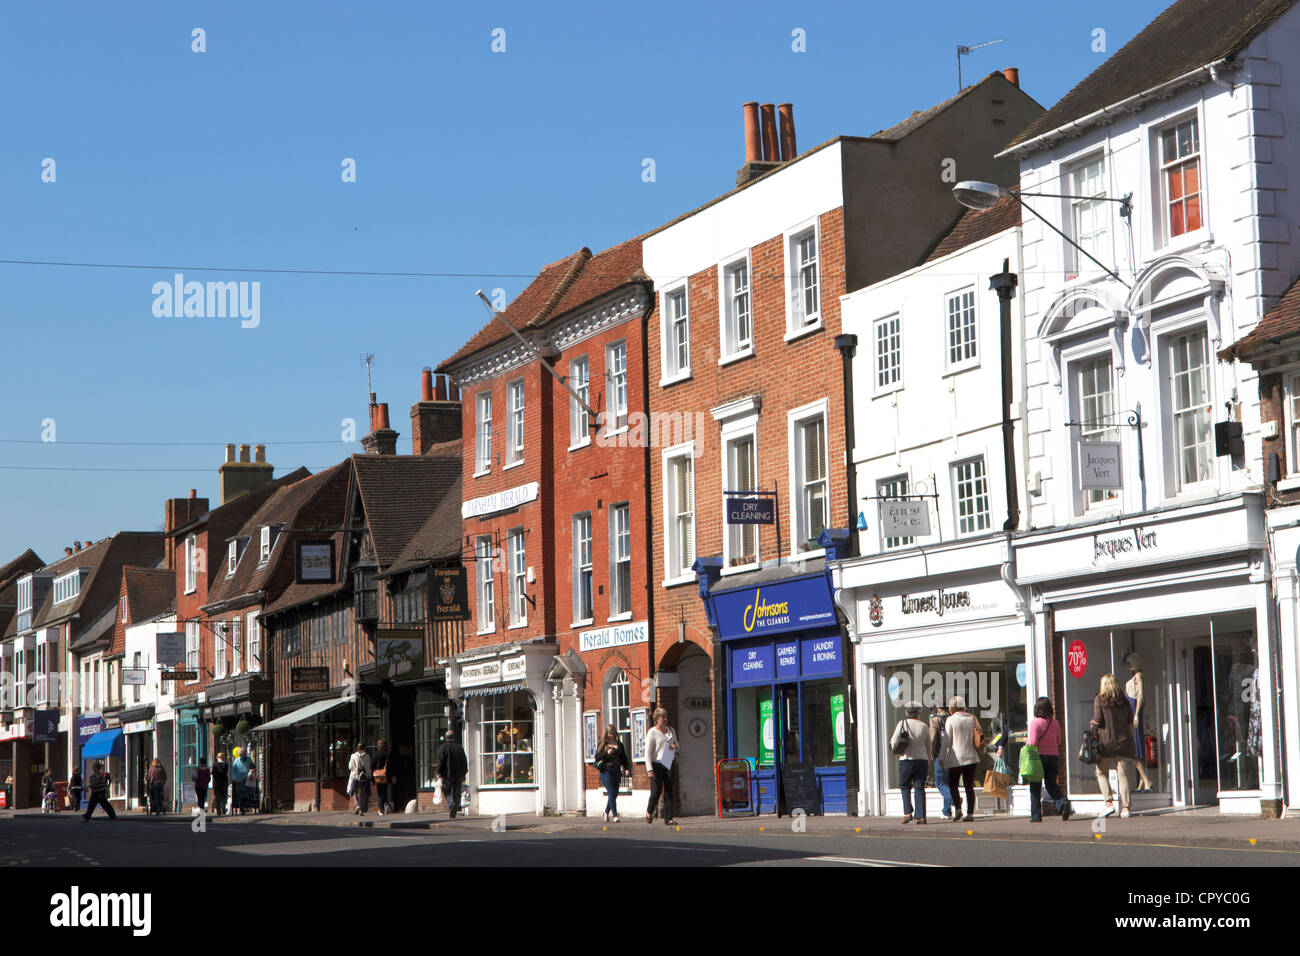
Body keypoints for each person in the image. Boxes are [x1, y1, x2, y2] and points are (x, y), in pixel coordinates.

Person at [1092, 673, 1135, 818]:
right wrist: (1131, 740)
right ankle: (1126, 808)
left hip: (1105, 743)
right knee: (1122, 776)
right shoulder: (1125, 701)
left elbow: (1097, 721)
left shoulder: (1100, 699)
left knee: (1101, 772)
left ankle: (1109, 803)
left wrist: (1092, 728)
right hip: (1123, 742)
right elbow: (1130, 724)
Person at [1028, 697, 1073, 822]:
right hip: (1054, 756)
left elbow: (1032, 743)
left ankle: (1036, 816)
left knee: (1035, 786)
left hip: (1039, 757)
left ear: (1037, 709)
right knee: (1051, 784)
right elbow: (1058, 741)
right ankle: (1062, 803)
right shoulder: (1055, 723)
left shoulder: (1035, 723)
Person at [941, 696, 982, 823]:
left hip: (955, 758)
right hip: (971, 756)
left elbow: (946, 741)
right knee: (969, 785)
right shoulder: (972, 718)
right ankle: (970, 813)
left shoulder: (950, 720)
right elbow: (979, 736)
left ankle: (958, 808)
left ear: (951, 707)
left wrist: (941, 757)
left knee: (953, 784)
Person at [890, 702, 931, 824]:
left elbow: (893, 741)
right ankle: (921, 816)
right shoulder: (924, 726)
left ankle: (908, 813)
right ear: (919, 713)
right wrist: (928, 759)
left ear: (906, 712)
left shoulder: (902, 724)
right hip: (922, 760)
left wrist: (897, 751)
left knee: (904, 786)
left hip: (906, 759)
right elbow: (929, 746)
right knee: (919, 787)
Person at [1124, 652, 1154, 793]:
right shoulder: (1135, 677)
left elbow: (1141, 695)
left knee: (1135, 749)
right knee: (1137, 747)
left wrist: (1136, 714)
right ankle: (1142, 783)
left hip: (1135, 713)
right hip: (1133, 713)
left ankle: (1147, 781)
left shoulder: (1139, 677)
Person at [644, 707, 679, 826]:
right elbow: (647, 753)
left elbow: (677, 745)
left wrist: (675, 747)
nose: (665, 720)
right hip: (656, 764)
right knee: (656, 791)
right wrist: (649, 769)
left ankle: (668, 818)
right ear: (656, 719)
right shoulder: (652, 732)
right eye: (662, 718)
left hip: (668, 762)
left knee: (669, 790)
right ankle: (649, 811)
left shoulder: (671, 731)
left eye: (666, 717)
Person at [592, 724, 631, 822]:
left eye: (613, 733)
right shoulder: (603, 744)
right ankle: (615, 815)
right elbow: (597, 757)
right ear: (606, 734)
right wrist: (607, 753)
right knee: (611, 792)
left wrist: (626, 768)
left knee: (614, 793)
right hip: (606, 772)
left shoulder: (619, 744)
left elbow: (623, 758)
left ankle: (606, 812)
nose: (611, 735)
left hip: (616, 771)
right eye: (609, 733)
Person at [929, 703, 953, 821]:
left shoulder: (935, 719)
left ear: (938, 706)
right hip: (952, 755)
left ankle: (953, 799)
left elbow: (933, 738)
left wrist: (932, 754)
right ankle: (946, 811)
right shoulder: (952, 718)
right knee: (948, 783)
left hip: (940, 754)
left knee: (940, 783)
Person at [437, 729, 468, 819]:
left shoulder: (443, 748)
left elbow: (440, 762)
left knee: (446, 790)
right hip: (459, 774)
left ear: (446, 738)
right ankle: (454, 811)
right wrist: (464, 773)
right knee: (457, 792)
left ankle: (452, 804)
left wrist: (439, 772)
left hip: (447, 774)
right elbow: (464, 762)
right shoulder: (459, 748)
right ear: (453, 737)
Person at [348, 742, 372, 815]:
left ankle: (358, 805)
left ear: (357, 748)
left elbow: (350, 767)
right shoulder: (368, 756)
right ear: (364, 748)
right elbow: (369, 767)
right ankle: (362, 808)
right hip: (365, 777)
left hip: (356, 777)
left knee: (355, 792)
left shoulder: (353, 756)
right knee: (364, 793)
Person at [373, 738, 392, 815]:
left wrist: (372, 777)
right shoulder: (389, 753)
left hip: (378, 776)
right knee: (386, 790)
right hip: (387, 775)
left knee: (380, 793)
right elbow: (392, 765)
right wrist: (393, 775)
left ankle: (381, 810)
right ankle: (387, 804)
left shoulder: (376, 754)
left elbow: (372, 765)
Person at [211, 752, 230, 817]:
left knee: (217, 796)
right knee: (224, 795)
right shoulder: (226, 764)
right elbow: (225, 772)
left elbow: (213, 773)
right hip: (224, 781)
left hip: (217, 782)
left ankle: (218, 810)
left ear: (217, 757)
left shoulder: (215, 764)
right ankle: (223, 807)